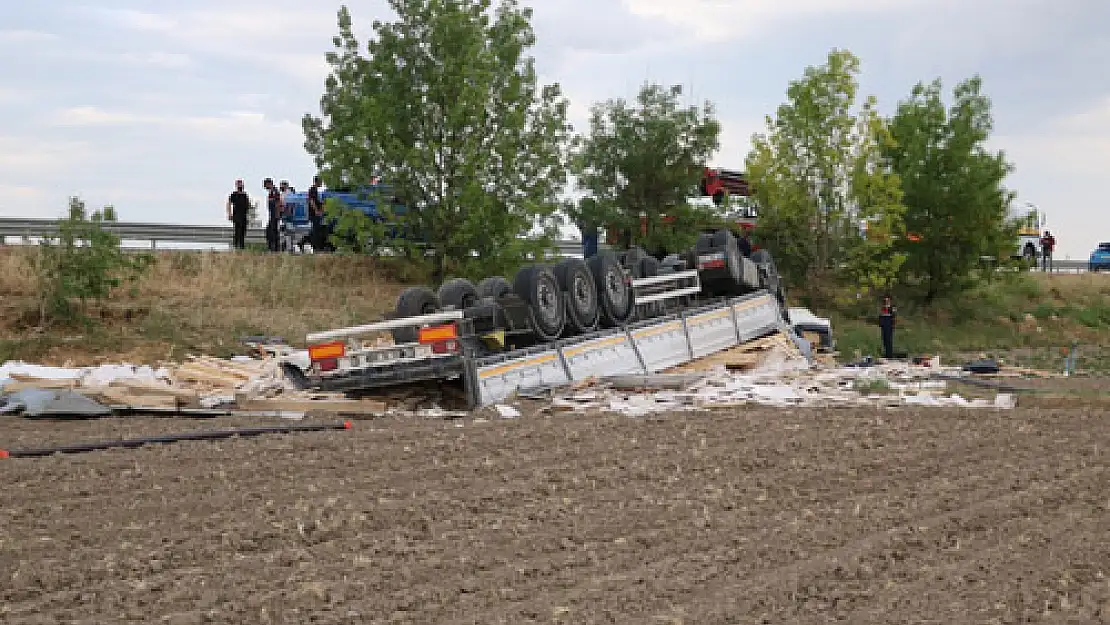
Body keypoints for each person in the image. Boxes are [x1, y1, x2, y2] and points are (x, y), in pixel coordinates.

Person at [226, 179, 251, 250]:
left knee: (243, 232)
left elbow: (248, 205)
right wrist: (229, 213)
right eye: (239, 184)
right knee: (237, 231)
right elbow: (229, 203)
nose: (240, 185)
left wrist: (248, 214)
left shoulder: (245, 195)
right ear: (236, 185)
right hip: (237, 215)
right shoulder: (234, 194)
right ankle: (236, 246)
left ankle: (242, 247)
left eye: (241, 184)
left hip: (244, 216)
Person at [263, 178, 283, 252]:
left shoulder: (275, 192)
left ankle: (275, 248)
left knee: (273, 231)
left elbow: (278, 202)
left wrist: (277, 213)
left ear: (269, 184)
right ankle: (273, 247)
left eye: (265, 185)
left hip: (275, 214)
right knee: (270, 231)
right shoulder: (271, 192)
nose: (265, 187)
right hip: (272, 214)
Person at [308, 175, 325, 252]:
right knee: (315, 231)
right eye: (321, 182)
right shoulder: (312, 190)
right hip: (314, 214)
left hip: (317, 213)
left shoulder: (317, 191)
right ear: (317, 182)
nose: (321, 183)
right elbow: (311, 201)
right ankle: (315, 247)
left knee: (318, 230)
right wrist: (316, 211)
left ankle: (318, 246)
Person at [879, 295, 897, 360]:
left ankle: (890, 354)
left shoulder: (892, 307)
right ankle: (886, 353)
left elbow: (894, 314)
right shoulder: (882, 308)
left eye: (887, 300)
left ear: (889, 301)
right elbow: (881, 316)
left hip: (889, 324)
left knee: (889, 339)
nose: (886, 302)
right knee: (884, 339)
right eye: (885, 301)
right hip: (884, 324)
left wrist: (893, 324)